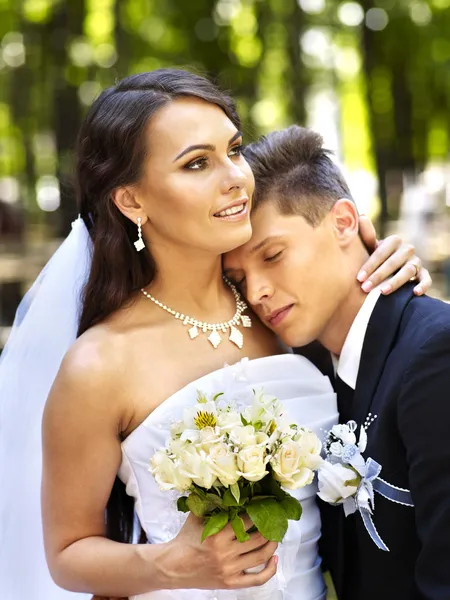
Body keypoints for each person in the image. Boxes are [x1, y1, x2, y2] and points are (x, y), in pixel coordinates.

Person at [0, 70, 430, 600]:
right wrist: (172, 565)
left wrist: (387, 276)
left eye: (234, 149)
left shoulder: (284, 313)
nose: (235, 177)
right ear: (132, 201)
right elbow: (68, 554)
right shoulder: (99, 363)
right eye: (197, 163)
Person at [223, 125, 450, 600]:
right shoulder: (303, 372)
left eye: (273, 255)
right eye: (239, 278)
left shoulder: (434, 354)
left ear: (345, 223)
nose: (256, 292)